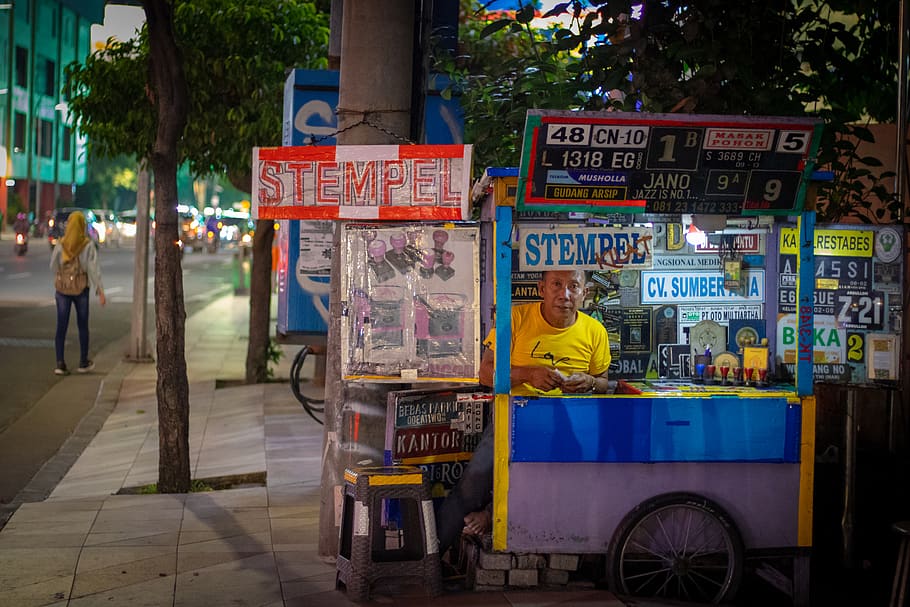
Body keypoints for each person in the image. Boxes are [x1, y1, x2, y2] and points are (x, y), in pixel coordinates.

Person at [434, 269, 612, 556]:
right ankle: (432, 558)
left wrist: (589, 382)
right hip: (512, 418)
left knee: (551, 486)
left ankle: (493, 518)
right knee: (471, 486)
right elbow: (485, 373)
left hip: (567, 424)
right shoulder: (515, 319)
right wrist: (528, 374)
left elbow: (603, 383)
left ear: (585, 293)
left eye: (573, 287)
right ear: (542, 288)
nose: (564, 295)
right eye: (556, 285)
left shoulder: (595, 331)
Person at [50, 211, 106, 375]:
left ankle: (60, 363)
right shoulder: (87, 245)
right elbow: (93, 269)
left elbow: (53, 265)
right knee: (82, 326)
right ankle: (83, 362)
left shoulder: (61, 244)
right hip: (81, 289)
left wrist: (62, 276)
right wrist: (100, 290)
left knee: (61, 326)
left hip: (62, 290)